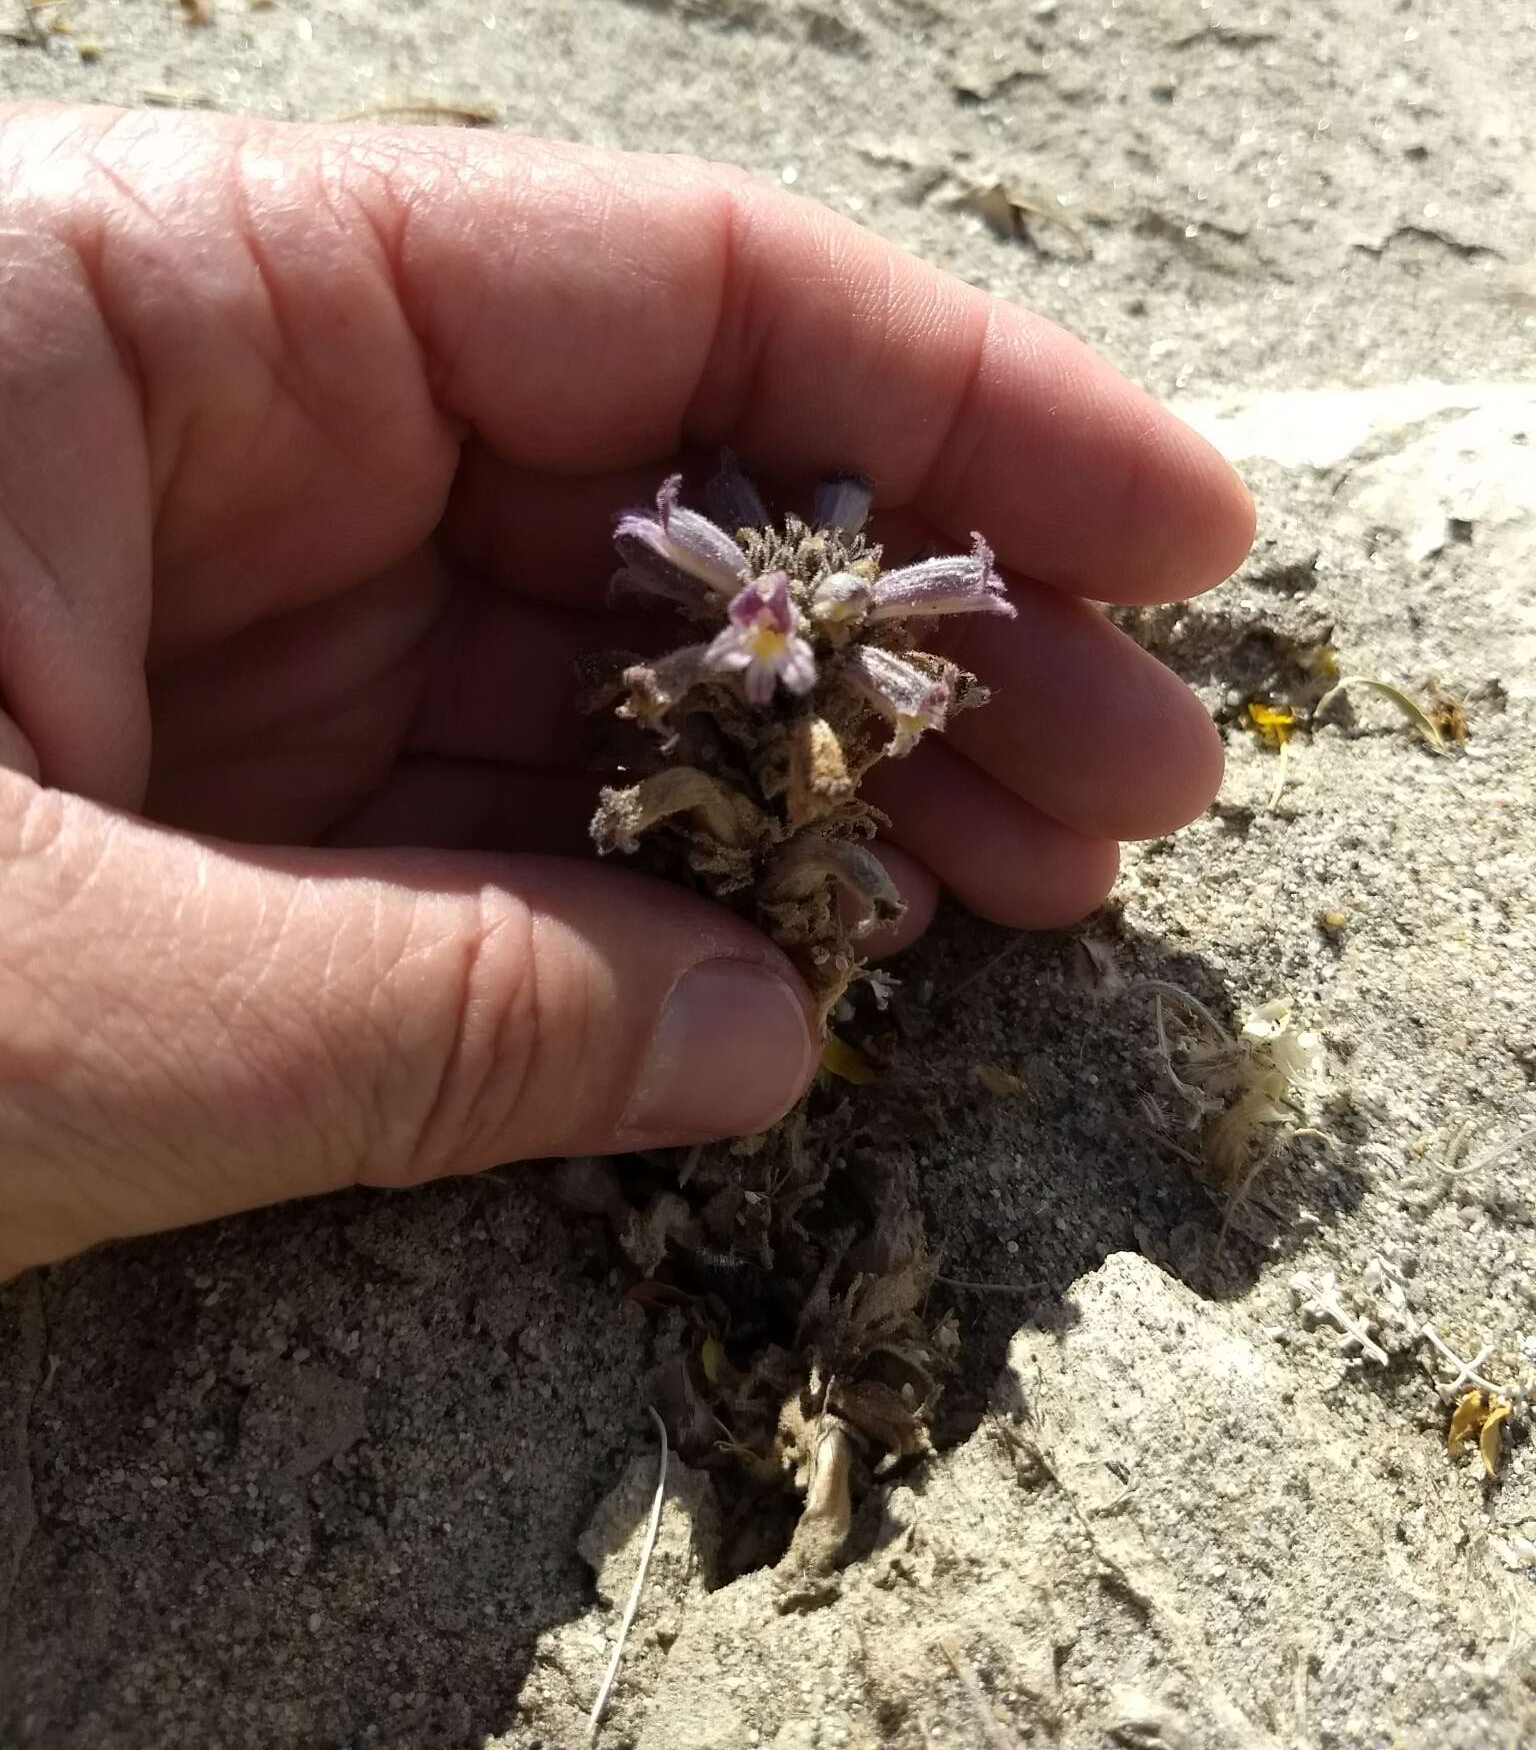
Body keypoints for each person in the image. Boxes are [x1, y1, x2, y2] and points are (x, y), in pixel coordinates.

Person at [0, 104, 1253, 1282]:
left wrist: (880, 668)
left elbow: (800, 684)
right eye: (756, 619)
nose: (765, 628)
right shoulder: (739, 637)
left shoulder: (823, 648)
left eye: (768, 618)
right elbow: (748, 664)